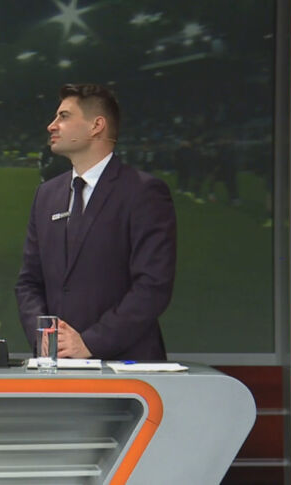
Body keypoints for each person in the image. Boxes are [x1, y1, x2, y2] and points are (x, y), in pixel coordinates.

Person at [15, 84, 176, 360]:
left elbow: (152, 285)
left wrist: (90, 343)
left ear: (96, 126)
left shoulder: (143, 192)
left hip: (125, 366)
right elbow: (29, 282)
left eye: (64, 116)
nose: (52, 126)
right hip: (57, 364)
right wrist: (44, 337)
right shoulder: (46, 195)